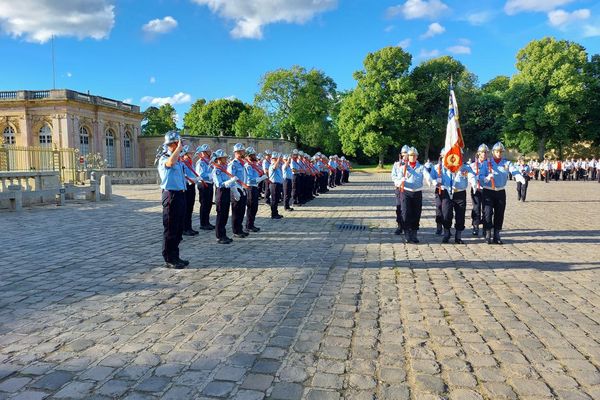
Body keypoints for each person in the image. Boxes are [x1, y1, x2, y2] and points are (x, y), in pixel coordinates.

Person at [157, 131, 196, 268]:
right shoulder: (164, 158)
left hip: (180, 194)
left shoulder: (179, 161)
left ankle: (176, 256)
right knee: (171, 228)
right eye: (179, 143)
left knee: (179, 228)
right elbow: (169, 163)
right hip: (171, 196)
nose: (182, 145)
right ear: (172, 144)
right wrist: (178, 150)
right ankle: (169, 258)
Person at [478, 142, 526, 244]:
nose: (499, 153)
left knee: (499, 213)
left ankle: (497, 234)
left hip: (500, 191)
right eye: (497, 151)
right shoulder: (487, 163)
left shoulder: (506, 163)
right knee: (487, 213)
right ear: (493, 152)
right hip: (488, 191)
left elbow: (513, 170)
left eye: (500, 151)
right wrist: (486, 178)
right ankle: (487, 233)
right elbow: (480, 176)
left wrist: (518, 176)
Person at [429, 153, 475, 244]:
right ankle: (446, 233)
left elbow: (471, 175)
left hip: (460, 193)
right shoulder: (442, 166)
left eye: (459, 154)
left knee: (460, 215)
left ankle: (458, 236)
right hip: (447, 192)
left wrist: (473, 181)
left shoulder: (465, 166)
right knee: (446, 213)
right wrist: (435, 182)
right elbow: (431, 176)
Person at [392, 147, 429, 244]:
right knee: (405, 212)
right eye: (410, 156)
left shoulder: (421, 167)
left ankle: (414, 233)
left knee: (416, 213)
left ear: (417, 156)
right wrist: (400, 181)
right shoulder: (403, 167)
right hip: (406, 192)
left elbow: (426, 175)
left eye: (414, 155)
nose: (412, 157)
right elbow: (396, 180)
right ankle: (407, 233)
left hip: (417, 192)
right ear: (408, 157)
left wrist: (432, 181)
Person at [212, 149, 237, 244]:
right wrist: (230, 181)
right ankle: (219, 236)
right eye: (224, 158)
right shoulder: (217, 170)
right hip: (221, 192)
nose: (226, 159)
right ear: (219, 159)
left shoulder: (224, 168)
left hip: (226, 192)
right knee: (221, 215)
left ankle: (224, 234)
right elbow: (219, 184)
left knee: (225, 214)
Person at [244, 146, 268, 232]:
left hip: (254, 187)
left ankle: (251, 224)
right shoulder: (248, 166)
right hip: (250, 187)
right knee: (251, 207)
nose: (255, 156)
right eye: (253, 155)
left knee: (254, 207)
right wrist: (261, 179)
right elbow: (250, 179)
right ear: (248, 156)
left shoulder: (253, 165)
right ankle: (248, 226)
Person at [228, 143, 249, 238]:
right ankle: (236, 231)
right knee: (236, 211)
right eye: (242, 151)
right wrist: (234, 191)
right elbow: (231, 178)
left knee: (241, 211)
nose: (244, 153)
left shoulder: (242, 163)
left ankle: (240, 229)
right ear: (237, 152)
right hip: (236, 189)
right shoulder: (233, 164)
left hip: (242, 188)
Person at [469, 144, 488, 236]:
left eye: (485, 152)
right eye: (482, 152)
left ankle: (485, 227)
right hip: (476, 189)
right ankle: (475, 226)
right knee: (476, 208)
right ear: (478, 153)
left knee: (486, 209)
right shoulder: (473, 164)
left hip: (486, 189)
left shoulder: (489, 164)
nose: (484, 154)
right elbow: (469, 174)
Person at [195, 144, 215, 230]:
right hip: (203, 184)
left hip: (209, 183)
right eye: (209, 151)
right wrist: (211, 175)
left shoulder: (209, 161)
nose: (210, 152)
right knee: (204, 204)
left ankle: (207, 222)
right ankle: (203, 223)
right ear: (205, 153)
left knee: (208, 203)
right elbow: (201, 175)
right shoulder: (201, 162)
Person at [391, 145, 409, 235]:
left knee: (407, 209)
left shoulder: (411, 164)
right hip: (399, 188)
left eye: (407, 153)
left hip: (408, 189)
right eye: (403, 153)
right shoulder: (396, 164)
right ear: (401, 154)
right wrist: (398, 182)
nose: (405, 155)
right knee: (399, 208)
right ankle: (399, 225)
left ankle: (407, 226)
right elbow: (393, 176)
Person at [268, 152, 284, 219]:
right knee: (274, 200)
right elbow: (274, 167)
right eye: (276, 158)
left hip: (278, 184)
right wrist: (278, 160)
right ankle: (273, 214)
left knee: (277, 199)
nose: (278, 160)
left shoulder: (277, 166)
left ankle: (276, 213)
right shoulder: (272, 165)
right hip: (274, 184)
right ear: (273, 159)